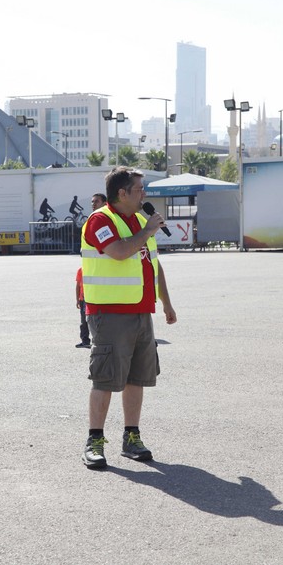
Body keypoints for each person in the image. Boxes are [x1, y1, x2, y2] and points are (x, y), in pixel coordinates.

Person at [81, 167, 177, 468]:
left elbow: (152, 264)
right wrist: (148, 230)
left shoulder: (138, 221)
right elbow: (120, 252)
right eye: (139, 189)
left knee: (138, 378)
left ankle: (131, 437)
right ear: (122, 193)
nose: (144, 194)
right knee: (106, 378)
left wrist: (166, 303)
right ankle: (94, 440)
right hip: (109, 313)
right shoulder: (100, 220)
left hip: (140, 310)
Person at [75, 193, 106, 349]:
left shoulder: (106, 221)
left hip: (103, 287)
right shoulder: (91, 221)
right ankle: (87, 339)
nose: (93, 204)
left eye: (96, 201)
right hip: (90, 287)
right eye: (92, 202)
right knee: (86, 319)